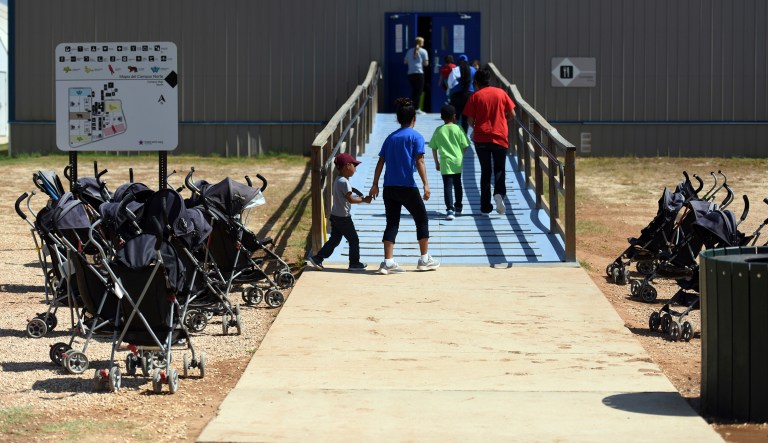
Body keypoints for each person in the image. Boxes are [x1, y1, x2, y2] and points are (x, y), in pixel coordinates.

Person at [369, 97, 440, 274]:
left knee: (392, 223)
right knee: (422, 219)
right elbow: (420, 161)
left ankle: (388, 262)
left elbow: (380, 162)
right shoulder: (416, 137)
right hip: (407, 186)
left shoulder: (390, 138)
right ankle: (424, 259)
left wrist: (374, 184)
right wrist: (426, 185)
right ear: (414, 118)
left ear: (398, 118)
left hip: (389, 187)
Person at [463, 66, 516, 215]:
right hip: (500, 136)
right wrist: (502, 121)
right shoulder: (501, 93)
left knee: (485, 171)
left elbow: (469, 120)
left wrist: (476, 127)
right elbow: (512, 114)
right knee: (499, 169)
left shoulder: (475, 96)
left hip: (481, 138)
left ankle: (485, 207)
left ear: (476, 82)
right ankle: (499, 194)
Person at [306, 152, 372, 272]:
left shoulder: (339, 179)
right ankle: (354, 263)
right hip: (343, 218)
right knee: (354, 240)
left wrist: (357, 192)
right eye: (354, 166)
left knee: (334, 240)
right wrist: (364, 200)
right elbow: (351, 200)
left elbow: (348, 192)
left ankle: (318, 258)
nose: (355, 169)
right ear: (347, 165)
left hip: (335, 216)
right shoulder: (344, 182)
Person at [430, 104, 470, 221]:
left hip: (445, 162)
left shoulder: (439, 130)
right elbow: (466, 145)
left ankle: (449, 210)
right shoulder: (459, 128)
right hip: (457, 161)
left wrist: (436, 162)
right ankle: (458, 206)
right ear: (454, 116)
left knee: (447, 186)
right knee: (458, 184)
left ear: (442, 117)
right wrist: (461, 154)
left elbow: (433, 147)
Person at [446, 55, 477, 133]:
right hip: (469, 95)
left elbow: (450, 84)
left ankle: (454, 135)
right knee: (465, 118)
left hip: (456, 95)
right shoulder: (473, 70)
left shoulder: (455, 70)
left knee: (454, 117)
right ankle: (464, 136)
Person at [403, 37, 429, 114]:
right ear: (421, 43)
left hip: (411, 73)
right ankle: (417, 108)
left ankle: (412, 108)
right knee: (419, 92)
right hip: (419, 73)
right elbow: (426, 63)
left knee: (414, 91)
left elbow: (405, 62)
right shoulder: (424, 51)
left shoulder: (409, 51)